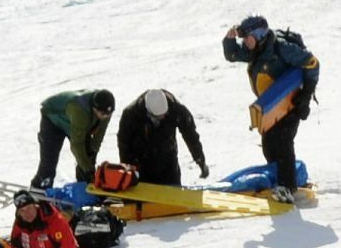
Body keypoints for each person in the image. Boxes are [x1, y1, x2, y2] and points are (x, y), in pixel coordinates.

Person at [223, 15, 319, 203]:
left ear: (259, 35)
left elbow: (312, 63)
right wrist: (229, 39)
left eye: (247, 38)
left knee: (282, 141)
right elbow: (232, 55)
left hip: (290, 103)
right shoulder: (255, 50)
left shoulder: (282, 48)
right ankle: (279, 181)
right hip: (270, 106)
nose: (245, 42)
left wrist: (306, 96)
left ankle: (287, 187)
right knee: (269, 146)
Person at [117, 89, 209, 185]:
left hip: (168, 163)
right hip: (141, 164)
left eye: (164, 115)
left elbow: (191, 136)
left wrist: (200, 161)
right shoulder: (131, 115)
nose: (162, 118)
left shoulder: (176, 109)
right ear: (148, 111)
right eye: (158, 116)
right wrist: (128, 170)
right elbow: (124, 144)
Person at [30, 89, 116, 189]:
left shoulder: (105, 109)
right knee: (49, 162)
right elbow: (77, 144)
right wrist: (88, 168)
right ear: (94, 108)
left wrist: (93, 152)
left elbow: (99, 134)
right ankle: (39, 188)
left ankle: (84, 187)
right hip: (53, 120)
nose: (105, 117)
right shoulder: (79, 111)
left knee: (88, 155)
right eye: (102, 114)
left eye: (108, 114)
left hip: (72, 121)